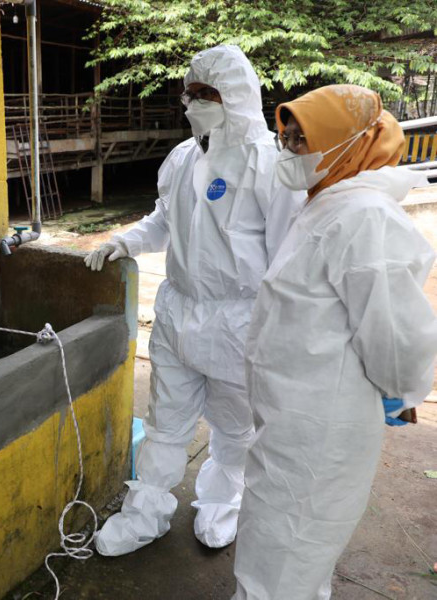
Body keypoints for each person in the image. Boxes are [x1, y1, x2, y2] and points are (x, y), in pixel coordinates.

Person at [84, 45, 304, 555]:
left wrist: (284, 333)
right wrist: (127, 241)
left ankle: (222, 503)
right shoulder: (183, 158)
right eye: (191, 93)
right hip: (179, 312)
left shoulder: (272, 166)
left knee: (236, 428)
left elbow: (287, 258)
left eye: (209, 94)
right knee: (165, 422)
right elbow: (164, 218)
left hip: (239, 322)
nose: (195, 103)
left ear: (238, 97)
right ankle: (147, 514)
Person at [232, 84, 437, 599]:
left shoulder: (365, 215)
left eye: (303, 139)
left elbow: (395, 331)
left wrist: (402, 389)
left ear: (352, 144)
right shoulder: (327, 202)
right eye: (289, 138)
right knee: (287, 545)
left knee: (289, 546)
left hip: (319, 424)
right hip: (293, 412)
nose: (291, 151)